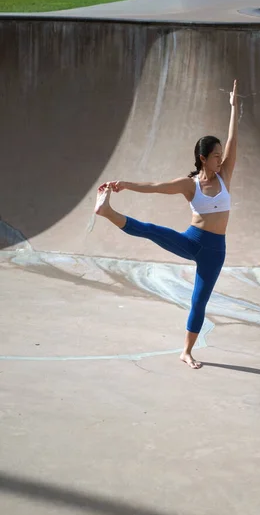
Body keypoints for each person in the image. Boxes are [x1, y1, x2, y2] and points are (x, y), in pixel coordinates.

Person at [95, 80, 238, 369]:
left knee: (199, 303)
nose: (221, 159)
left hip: (215, 252)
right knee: (150, 230)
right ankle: (107, 211)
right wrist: (125, 184)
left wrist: (235, 107)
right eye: (216, 155)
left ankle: (186, 351)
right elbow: (156, 186)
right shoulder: (190, 184)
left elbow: (235, 139)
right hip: (193, 241)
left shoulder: (225, 176)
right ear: (203, 158)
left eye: (222, 155)